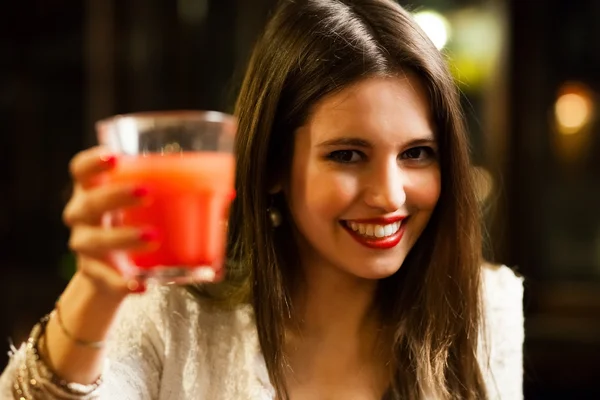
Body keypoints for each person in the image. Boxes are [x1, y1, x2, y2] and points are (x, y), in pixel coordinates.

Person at [0, 0, 524, 398]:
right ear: (273, 165)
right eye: (346, 155)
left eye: (416, 153)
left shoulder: (486, 307)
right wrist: (96, 287)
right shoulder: (174, 319)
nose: (389, 194)